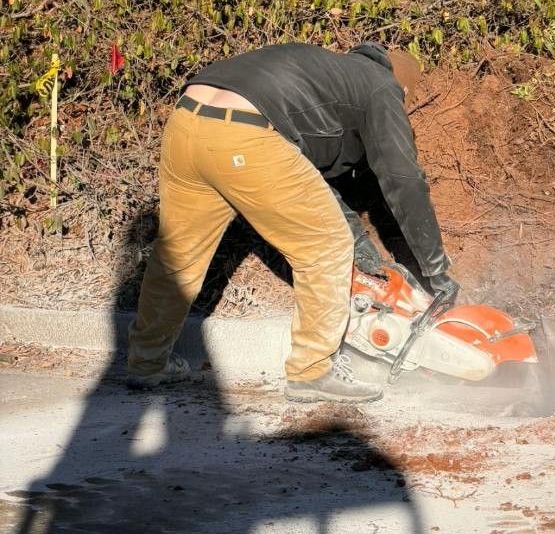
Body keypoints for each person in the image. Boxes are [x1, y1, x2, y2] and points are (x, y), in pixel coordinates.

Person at [127, 42, 458, 403]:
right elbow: (404, 180)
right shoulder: (381, 86)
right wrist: (435, 269)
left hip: (187, 120)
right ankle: (312, 371)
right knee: (327, 247)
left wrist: (360, 240)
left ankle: (147, 361)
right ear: (402, 86)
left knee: (180, 252)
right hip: (245, 135)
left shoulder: (322, 72)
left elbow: (304, 177)